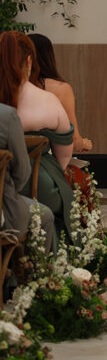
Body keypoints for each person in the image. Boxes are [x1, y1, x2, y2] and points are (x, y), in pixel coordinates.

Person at [0, 31, 74, 250]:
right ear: (29, 61)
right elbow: (64, 156)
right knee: (58, 203)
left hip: (7, 186)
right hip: (38, 184)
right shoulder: (48, 101)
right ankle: (50, 266)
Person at [0, 103, 55, 255]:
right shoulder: (6, 116)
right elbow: (22, 173)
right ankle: (36, 277)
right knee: (46, 216)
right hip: (4, 213)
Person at [30, 33, 92, 154]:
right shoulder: (60, 89)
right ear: (49, 57)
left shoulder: (11, 87)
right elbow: (73, 141)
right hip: (44, 161)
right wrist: (85, 143)